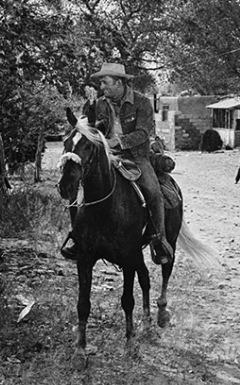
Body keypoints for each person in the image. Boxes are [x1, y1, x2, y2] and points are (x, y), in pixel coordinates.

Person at [61, 62, 173, 265]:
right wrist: (89, 110)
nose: (102, 87)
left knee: (153, 190)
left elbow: (143, 133)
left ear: (119, 83)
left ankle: (159, 239)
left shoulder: (141, 102)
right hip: (106, 156)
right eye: (102, 83)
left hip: (137, 156)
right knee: (78, 190)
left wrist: (118, 141)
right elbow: (91, 129)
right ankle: (78, 237)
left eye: (105, 83)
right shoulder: (101, 104)